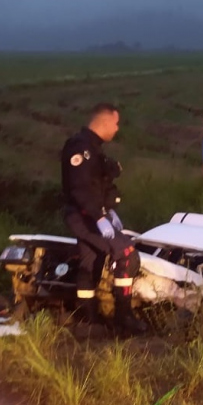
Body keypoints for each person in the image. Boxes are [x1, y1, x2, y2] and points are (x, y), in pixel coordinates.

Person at [61, 102, 147, 335]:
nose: (118, 129)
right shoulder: (81, 149)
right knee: (127, 255)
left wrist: (109, 211)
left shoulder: (94, 149)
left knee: (91, 263)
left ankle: (87, 318)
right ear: (105, 122)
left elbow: (98, 186)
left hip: (91, 215)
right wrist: (99, 217)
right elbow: (80, 189)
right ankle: (124, 317)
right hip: (84, 216)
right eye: (116, 123)